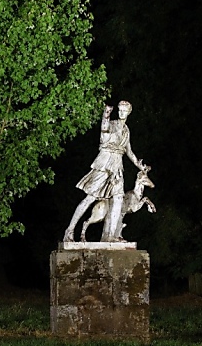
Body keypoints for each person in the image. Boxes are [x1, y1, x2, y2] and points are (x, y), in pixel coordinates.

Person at [63, 101, 148, 242]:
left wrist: (139, 165)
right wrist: (106, 115)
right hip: (104, 163)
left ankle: (111, 236)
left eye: (124, 111)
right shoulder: (112, 124)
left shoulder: (126, 130)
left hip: (117, 166)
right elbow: (103, 131)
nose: (121, 113)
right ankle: (70, 230)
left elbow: (129, 151)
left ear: (128, 113)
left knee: (119, 198)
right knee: (90, 198)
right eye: (119, 110)